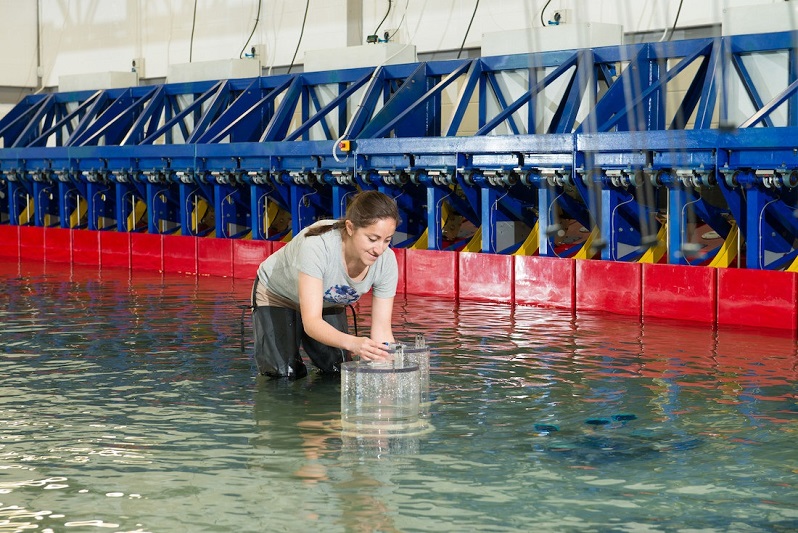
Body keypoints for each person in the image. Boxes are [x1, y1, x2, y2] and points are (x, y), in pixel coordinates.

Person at [251, 190, 400, 379]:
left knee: (338, 370)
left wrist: (388, 371)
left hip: (327, 301)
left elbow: (382, 330)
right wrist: (354, 343)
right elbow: (312, 323)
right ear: (350, 227)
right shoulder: (317, 246)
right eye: (372, 239)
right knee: (283, 374)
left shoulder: (386, 261)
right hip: (278, 295)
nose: (379, 249)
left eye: (387, 240)